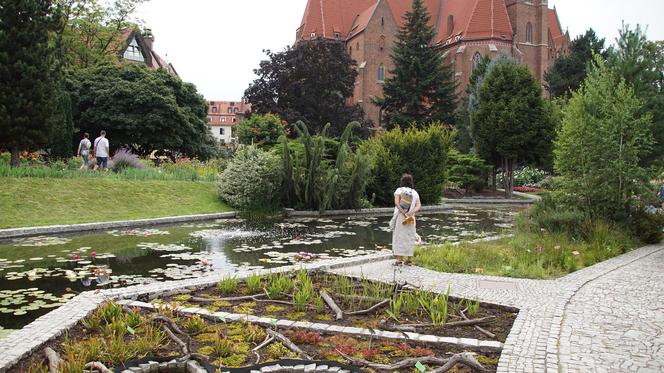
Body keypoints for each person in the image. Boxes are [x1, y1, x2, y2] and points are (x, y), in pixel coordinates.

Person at [390, 173, 421, 266]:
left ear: (402, 181)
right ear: (411, 182)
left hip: (401, 217)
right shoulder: (415, 192)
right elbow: (419, 205)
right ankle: (410, 260)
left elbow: (396, 203)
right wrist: (411, 213)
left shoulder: (399, 190)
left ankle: (399, 260)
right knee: (410, 237)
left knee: (400, 237)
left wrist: (404, 213)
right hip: (411, 218)